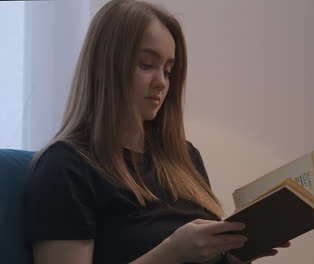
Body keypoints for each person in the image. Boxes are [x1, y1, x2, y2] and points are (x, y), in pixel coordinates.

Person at [23, 0, 290, 263]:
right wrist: (172, 252)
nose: (161, 82)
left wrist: (237, 253)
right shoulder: (66, 166)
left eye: (168, 70)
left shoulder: (184, 157)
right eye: (147, 65)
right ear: (106, 67)